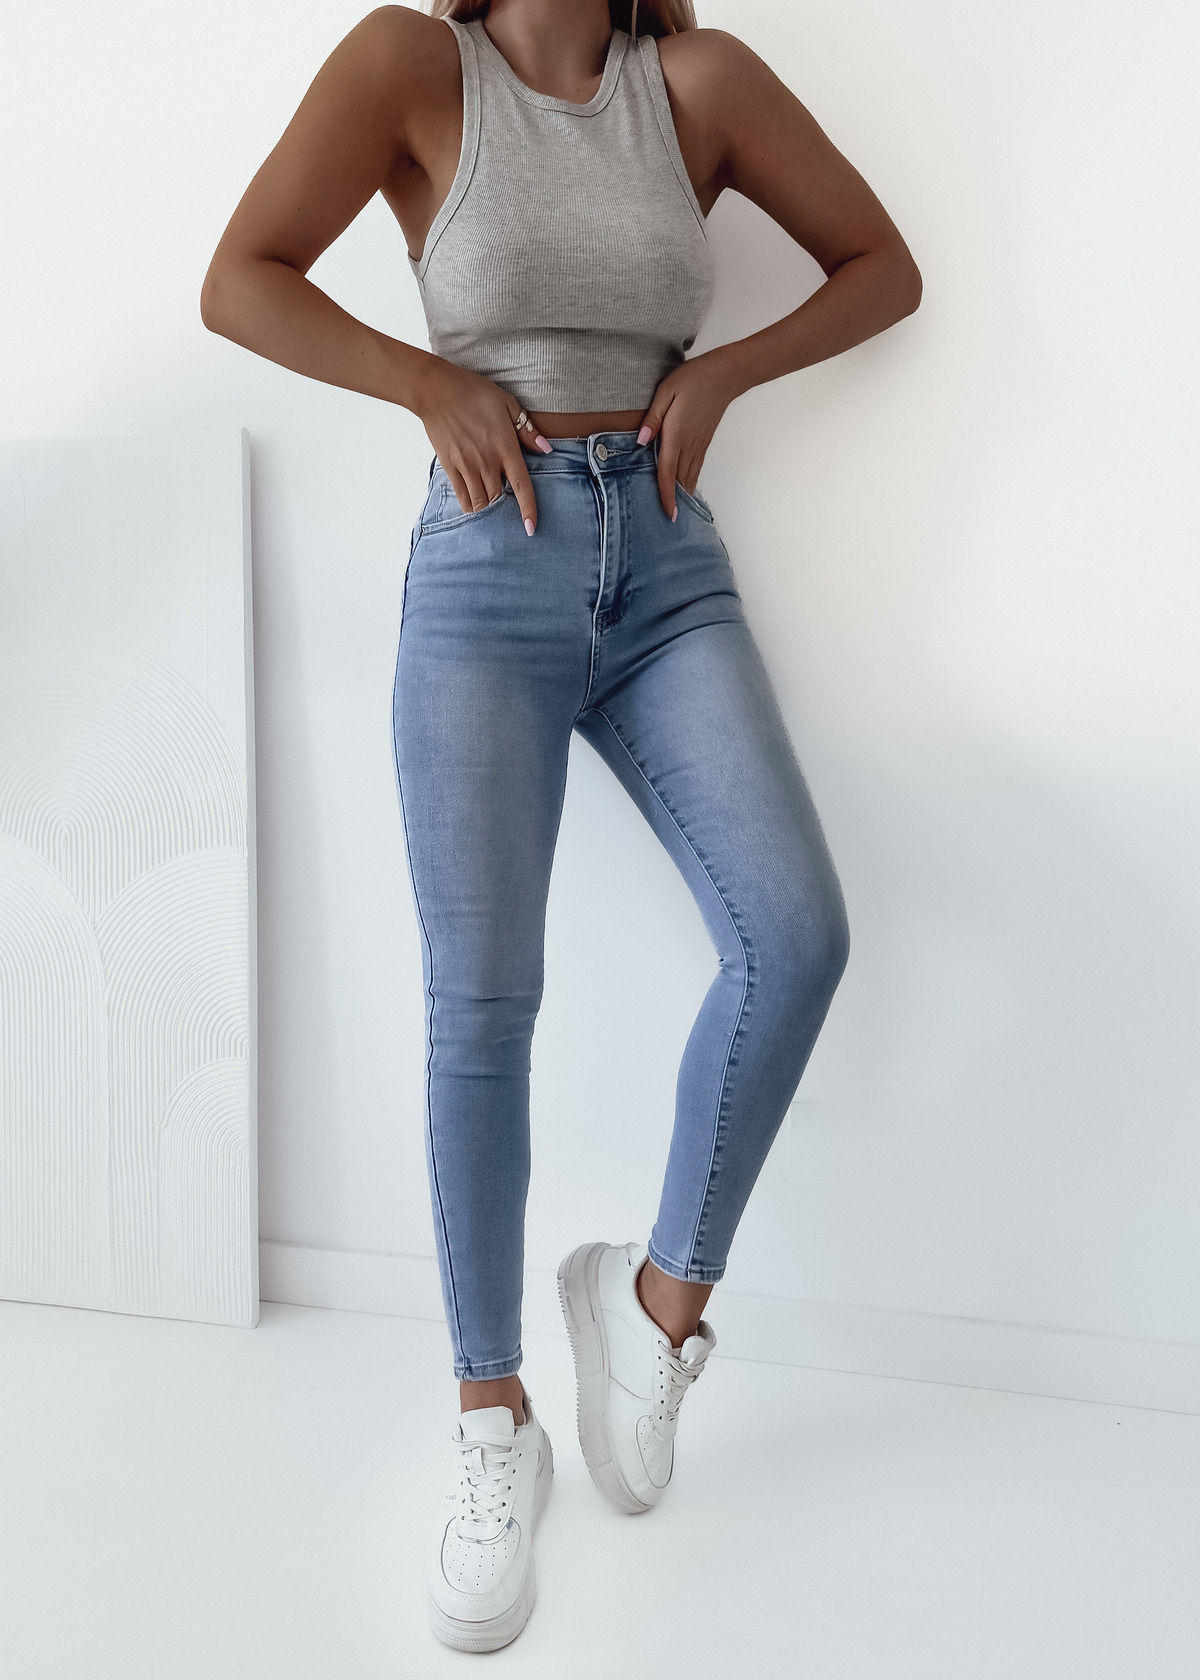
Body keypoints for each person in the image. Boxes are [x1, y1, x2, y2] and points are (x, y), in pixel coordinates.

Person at [201, 0, 921, 1653]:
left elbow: (881, 265)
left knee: (794, 934)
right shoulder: (408, 64)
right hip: (485, 566)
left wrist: (725, 371)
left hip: (665, 569)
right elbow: (241, 276)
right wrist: (427, 387)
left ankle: (654, 1307)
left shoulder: (698, 83)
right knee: (481, 1011)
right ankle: (491, 1423)